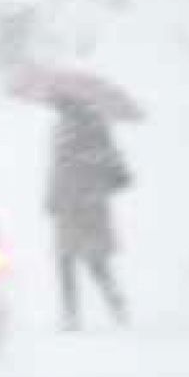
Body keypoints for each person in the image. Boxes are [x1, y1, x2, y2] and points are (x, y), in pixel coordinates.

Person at [46, 95, 132, 331]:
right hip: (78, 202)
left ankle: (80, 312)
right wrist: (51, 196)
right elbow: (57, 167)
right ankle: (93, 308)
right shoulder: (74, 126)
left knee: (79, 260)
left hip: (83, 202)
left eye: (61, 103)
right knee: (74, 260)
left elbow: (106, 159)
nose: (57, 107)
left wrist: (54, 195)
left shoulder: (88, 127)